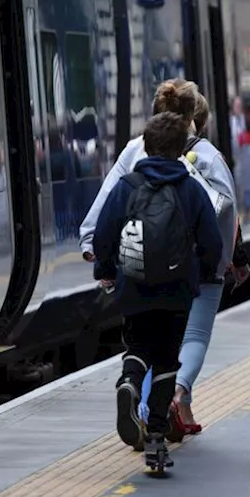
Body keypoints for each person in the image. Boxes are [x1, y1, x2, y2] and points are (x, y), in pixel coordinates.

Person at [80, 79, 245, 438]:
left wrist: (97, 254)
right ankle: (177, 394)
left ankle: (139, 404)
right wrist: (220, 264)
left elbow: (106, 205)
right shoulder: (206, 157)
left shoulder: (133, 152)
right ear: (195, 119)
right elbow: (226, 210)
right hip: (190, 272)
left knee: (143, 344)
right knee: (191, 339)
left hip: (137, 267)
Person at [92, 112, 223, 466]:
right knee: (167, 360)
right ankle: (154, 439)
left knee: (137, 346)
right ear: (182, 149)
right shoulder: (191, 189)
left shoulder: (128, 186)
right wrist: (207, 272)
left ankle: (130, 383)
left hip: (133, 282)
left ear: (146, 147)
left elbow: (104, 233)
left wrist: (104, 270)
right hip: (177, 288)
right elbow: (212, 241)